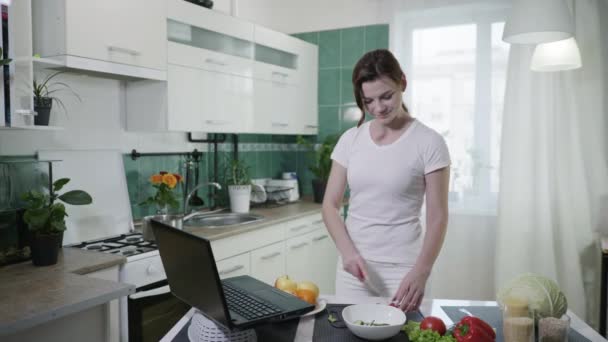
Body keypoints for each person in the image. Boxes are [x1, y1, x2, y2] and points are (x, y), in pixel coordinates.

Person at [322, 49, 450, 312]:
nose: (377, 108)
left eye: (386, 96)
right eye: (368, 101)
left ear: (402, 82)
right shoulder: (351, 139)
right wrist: (348, 253)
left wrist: (421, 271)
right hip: (354, 270)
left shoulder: (429, 142)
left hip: (404, 272)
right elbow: (330, 205)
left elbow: (438, 216)